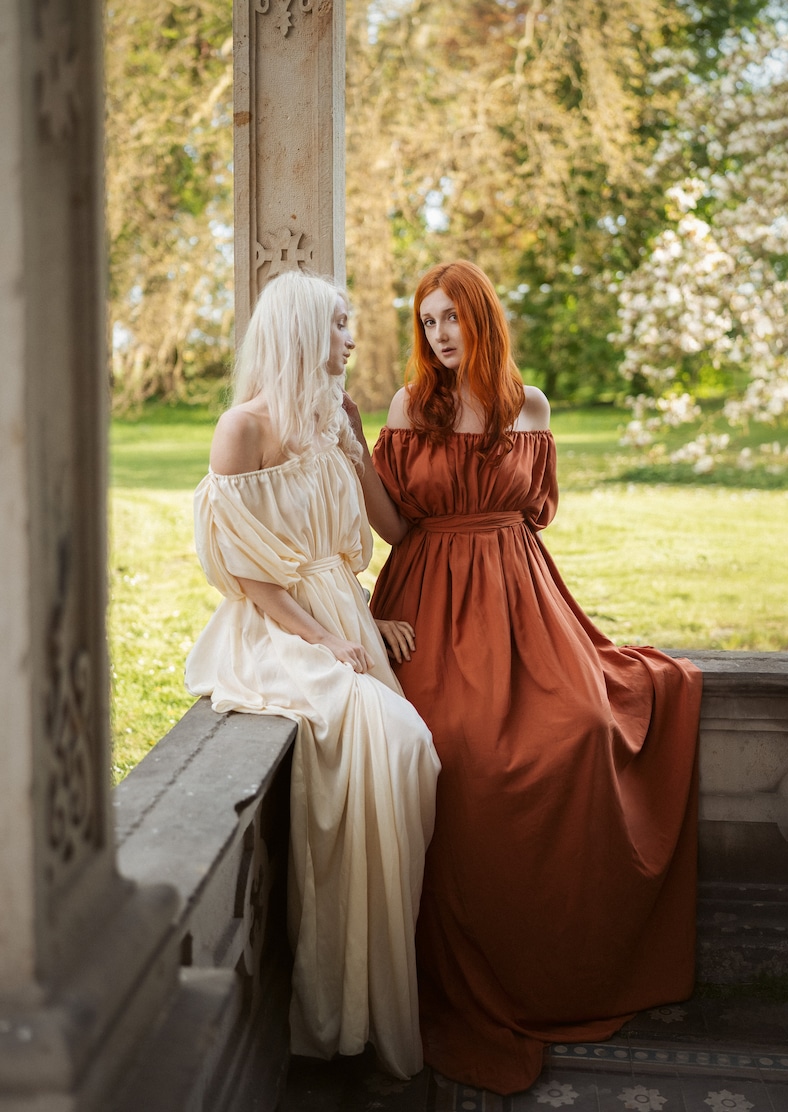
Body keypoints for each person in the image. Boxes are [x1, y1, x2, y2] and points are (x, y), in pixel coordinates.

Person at [346, 260, 702, 1095]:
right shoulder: (407, 406)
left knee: (580, 724)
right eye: (427, 322)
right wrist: (353, 450)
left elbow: (537, 511)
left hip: (516, 589)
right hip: (428, 589)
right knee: (456, 747)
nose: (437, 336)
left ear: (482, 321)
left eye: (451, 320)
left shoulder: (527, 406)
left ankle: (563, 962)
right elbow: (397, 524)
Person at [184, 270, 440, 1080]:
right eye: (338, 324)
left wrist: (364, 610)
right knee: (399, 743)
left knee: (403, 764)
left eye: (349, 322)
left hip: (340, 612)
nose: (352, 337)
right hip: (277, 629)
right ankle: (338, 1003)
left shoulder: (338, 416)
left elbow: (392, 527)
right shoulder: (242, 430)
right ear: (298, 331)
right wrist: (326, 636)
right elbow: (250, 572)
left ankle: (378, 979)